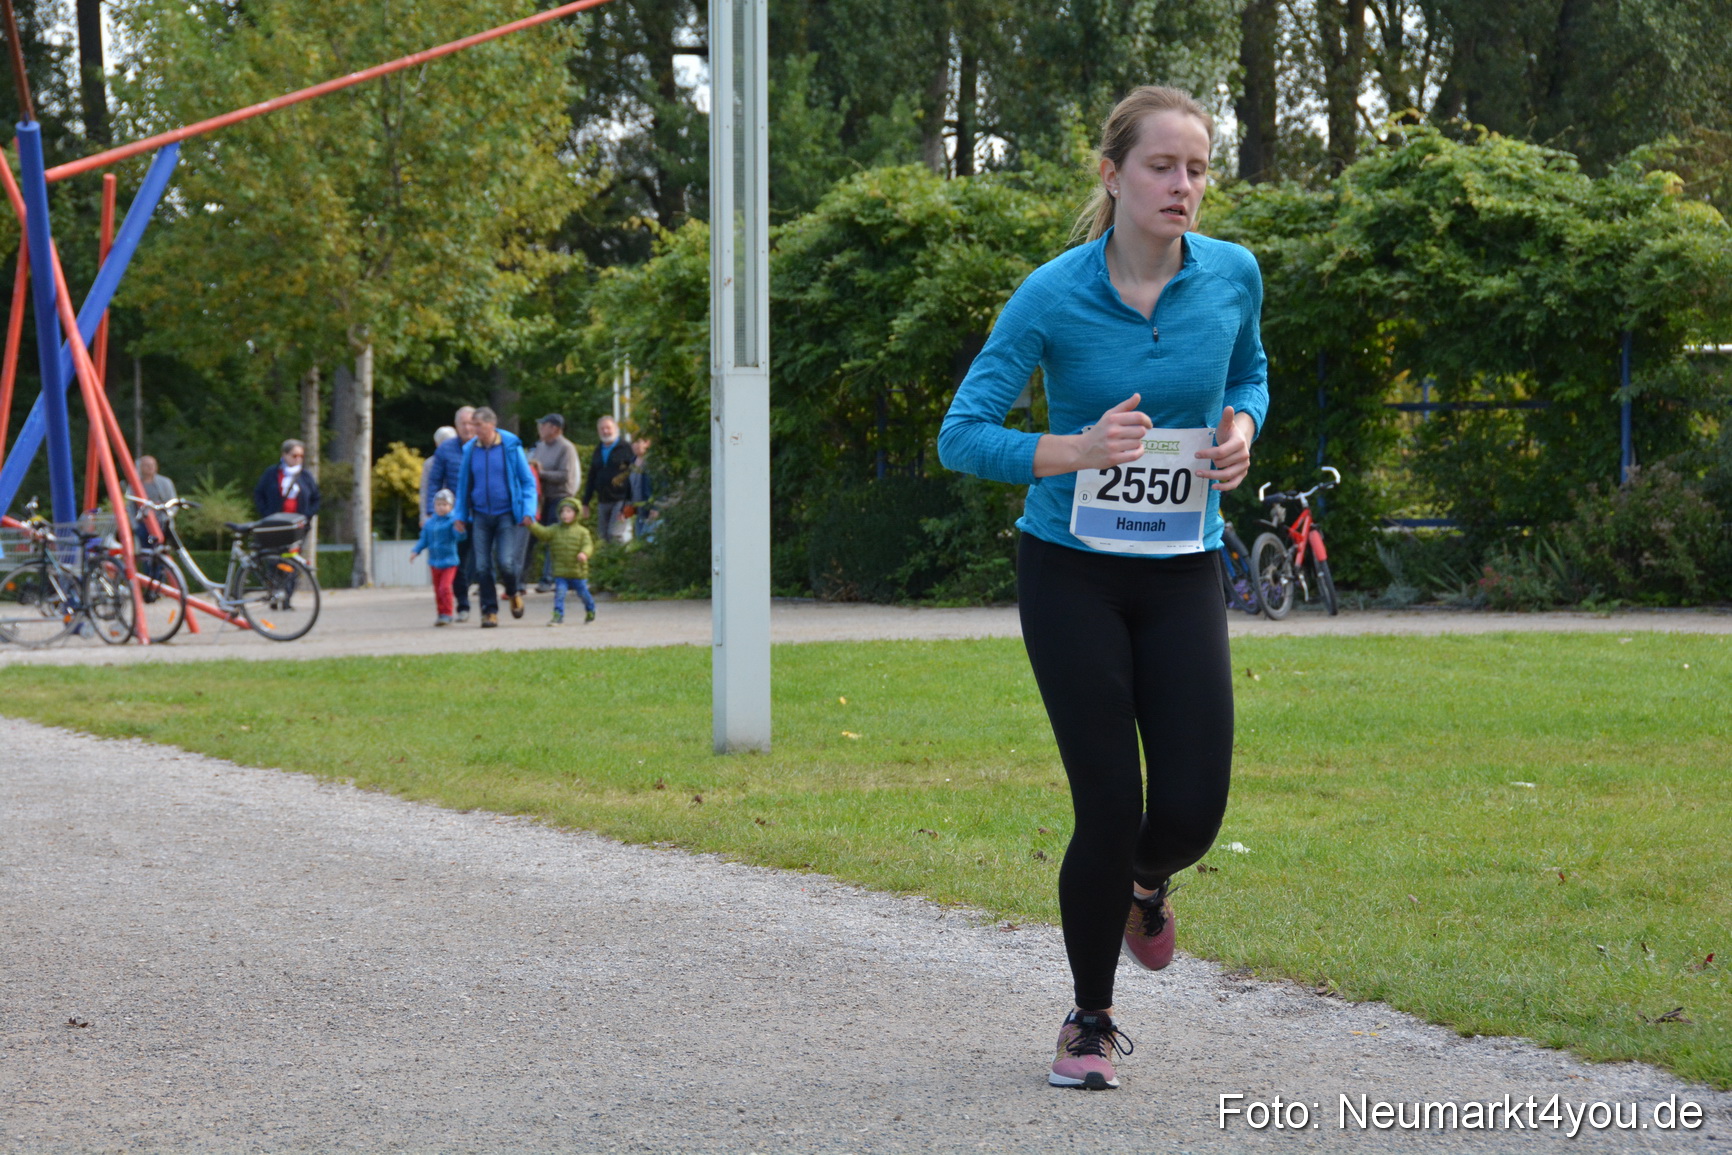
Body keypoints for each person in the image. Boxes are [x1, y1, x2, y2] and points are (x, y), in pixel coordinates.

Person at [936, 86, 1267, 1092]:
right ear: (1112, 174)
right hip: (1072, 573)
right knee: (1108, 802)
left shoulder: (1233, 276)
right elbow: (963, 432)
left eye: (1198, 169)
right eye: (1162, 167)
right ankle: (1088, 1020)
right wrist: (1073, 449)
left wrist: (1242, 434)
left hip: (1181, 572)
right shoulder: (1050, 294)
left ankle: (1146, 887)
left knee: (1194, 810)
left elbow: (1247, 376)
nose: (1182, 187)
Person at [451, 406, 538, 628]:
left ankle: (512, 591)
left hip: (506, 515)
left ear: (491, 425)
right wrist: (460, 514)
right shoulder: (471, 450)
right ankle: (489, 612)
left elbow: (527, 482)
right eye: (471, 424)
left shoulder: (510, 447)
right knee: (482, 567)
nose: (472, 429)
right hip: (480, 515)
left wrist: (528, 510)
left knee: (506, 563)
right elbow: (463, 486)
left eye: (477, 425)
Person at [426, 407, 477, 621]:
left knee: (482, 562)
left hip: (484, 512)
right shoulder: (445, 450)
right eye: (462, 424)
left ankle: (489, 603)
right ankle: (463, 605)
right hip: (457, 516)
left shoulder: (484, 447)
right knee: (459, 562)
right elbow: (434, 481)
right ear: (456, 426)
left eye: (470, 423)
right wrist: (432, 511)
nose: (467, 427)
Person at [526, 413, 581, 591]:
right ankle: (520, 578)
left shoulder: (566, 448)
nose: (540, 428)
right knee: (532, 536)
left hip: (560, 497)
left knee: (555, 539)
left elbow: (566, 475)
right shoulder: (540, 446)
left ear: (555, 428)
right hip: (542, 498)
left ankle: (548, 578)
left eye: (544, 425)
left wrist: (542, 473)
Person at [524, 497, 596, 624]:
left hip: (577, 572)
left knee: (583, 594)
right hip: (560, 572)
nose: (565, 514)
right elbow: (543, 533)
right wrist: (532, 525)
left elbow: (588, 545)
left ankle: (590, 609)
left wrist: (584, 553)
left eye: (568, 511)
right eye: (562, 511)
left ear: (576, 513)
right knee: (559, 594)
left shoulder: (582, 532)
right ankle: (558, 615)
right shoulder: (555, 529)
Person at [410, 488, 465, 626]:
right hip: (434, 562)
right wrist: (416, 551)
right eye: (438, 504)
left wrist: (460, 530)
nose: (441, 507)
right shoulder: (429, 524)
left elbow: (459, 537)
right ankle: (440, 613)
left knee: (444, 587)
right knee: (437, 589)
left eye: (444, 504)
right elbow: (424, 540)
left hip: (449, 562)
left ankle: (447, 613)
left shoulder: (452, 521)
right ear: (434, 506)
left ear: (451, 506)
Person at [580, 414, 636, 544]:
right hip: (603, 500)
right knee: (603, 537)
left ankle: (622, 562)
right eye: (602, 429)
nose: (605, 431)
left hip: (622, 500)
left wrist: (629, 504)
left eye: (608, 428)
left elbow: (633, 476)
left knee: (616, 534)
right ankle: (607, 563)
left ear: (615, 429)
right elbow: (592, 476)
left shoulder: (626, 448)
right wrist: (586, 502)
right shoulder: (598, 450)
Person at [253, 439, 321, 519]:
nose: (298, 459)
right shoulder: (271, 473)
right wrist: (266, 513)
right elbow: (259, 494)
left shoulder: (306, 476)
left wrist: (306, 516)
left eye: (301, 456)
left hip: (298, 523)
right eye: (294, 456)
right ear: (284, 455)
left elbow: (316, 498)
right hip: (275, 521)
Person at [419, 426, 457, 529]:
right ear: (437, 444)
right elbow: (425, 491)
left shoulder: (462, 458)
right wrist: (424, 516)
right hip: (436, 514)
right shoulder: (430, 464)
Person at [625, 436, 656, 542]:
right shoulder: (631, 463)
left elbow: (660, 486)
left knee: (649, 543)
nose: (636, 445)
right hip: (637, 512)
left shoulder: (653, 463)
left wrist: (655, 507)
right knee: (639, 543)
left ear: (647, 443)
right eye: (634, 442)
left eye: (639, 442)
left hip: (651, 512)